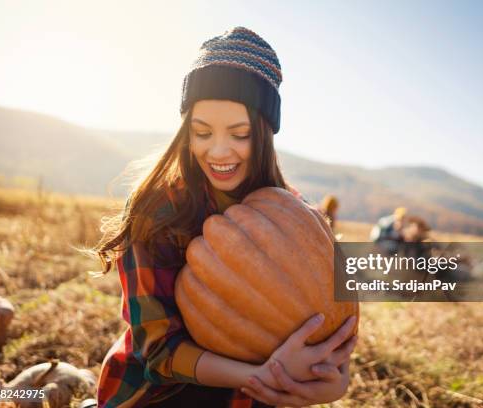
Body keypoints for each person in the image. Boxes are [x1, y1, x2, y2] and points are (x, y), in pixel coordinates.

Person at [91, 27, 357, 407]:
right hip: (165, 395)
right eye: (202, 132)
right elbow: (158, 353)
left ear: (263, 133)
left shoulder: (293, 212)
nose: (218, 150)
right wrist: (262, 375)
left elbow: (332, 331)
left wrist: (335, 383)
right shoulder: (158, 208)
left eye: (239, 133)